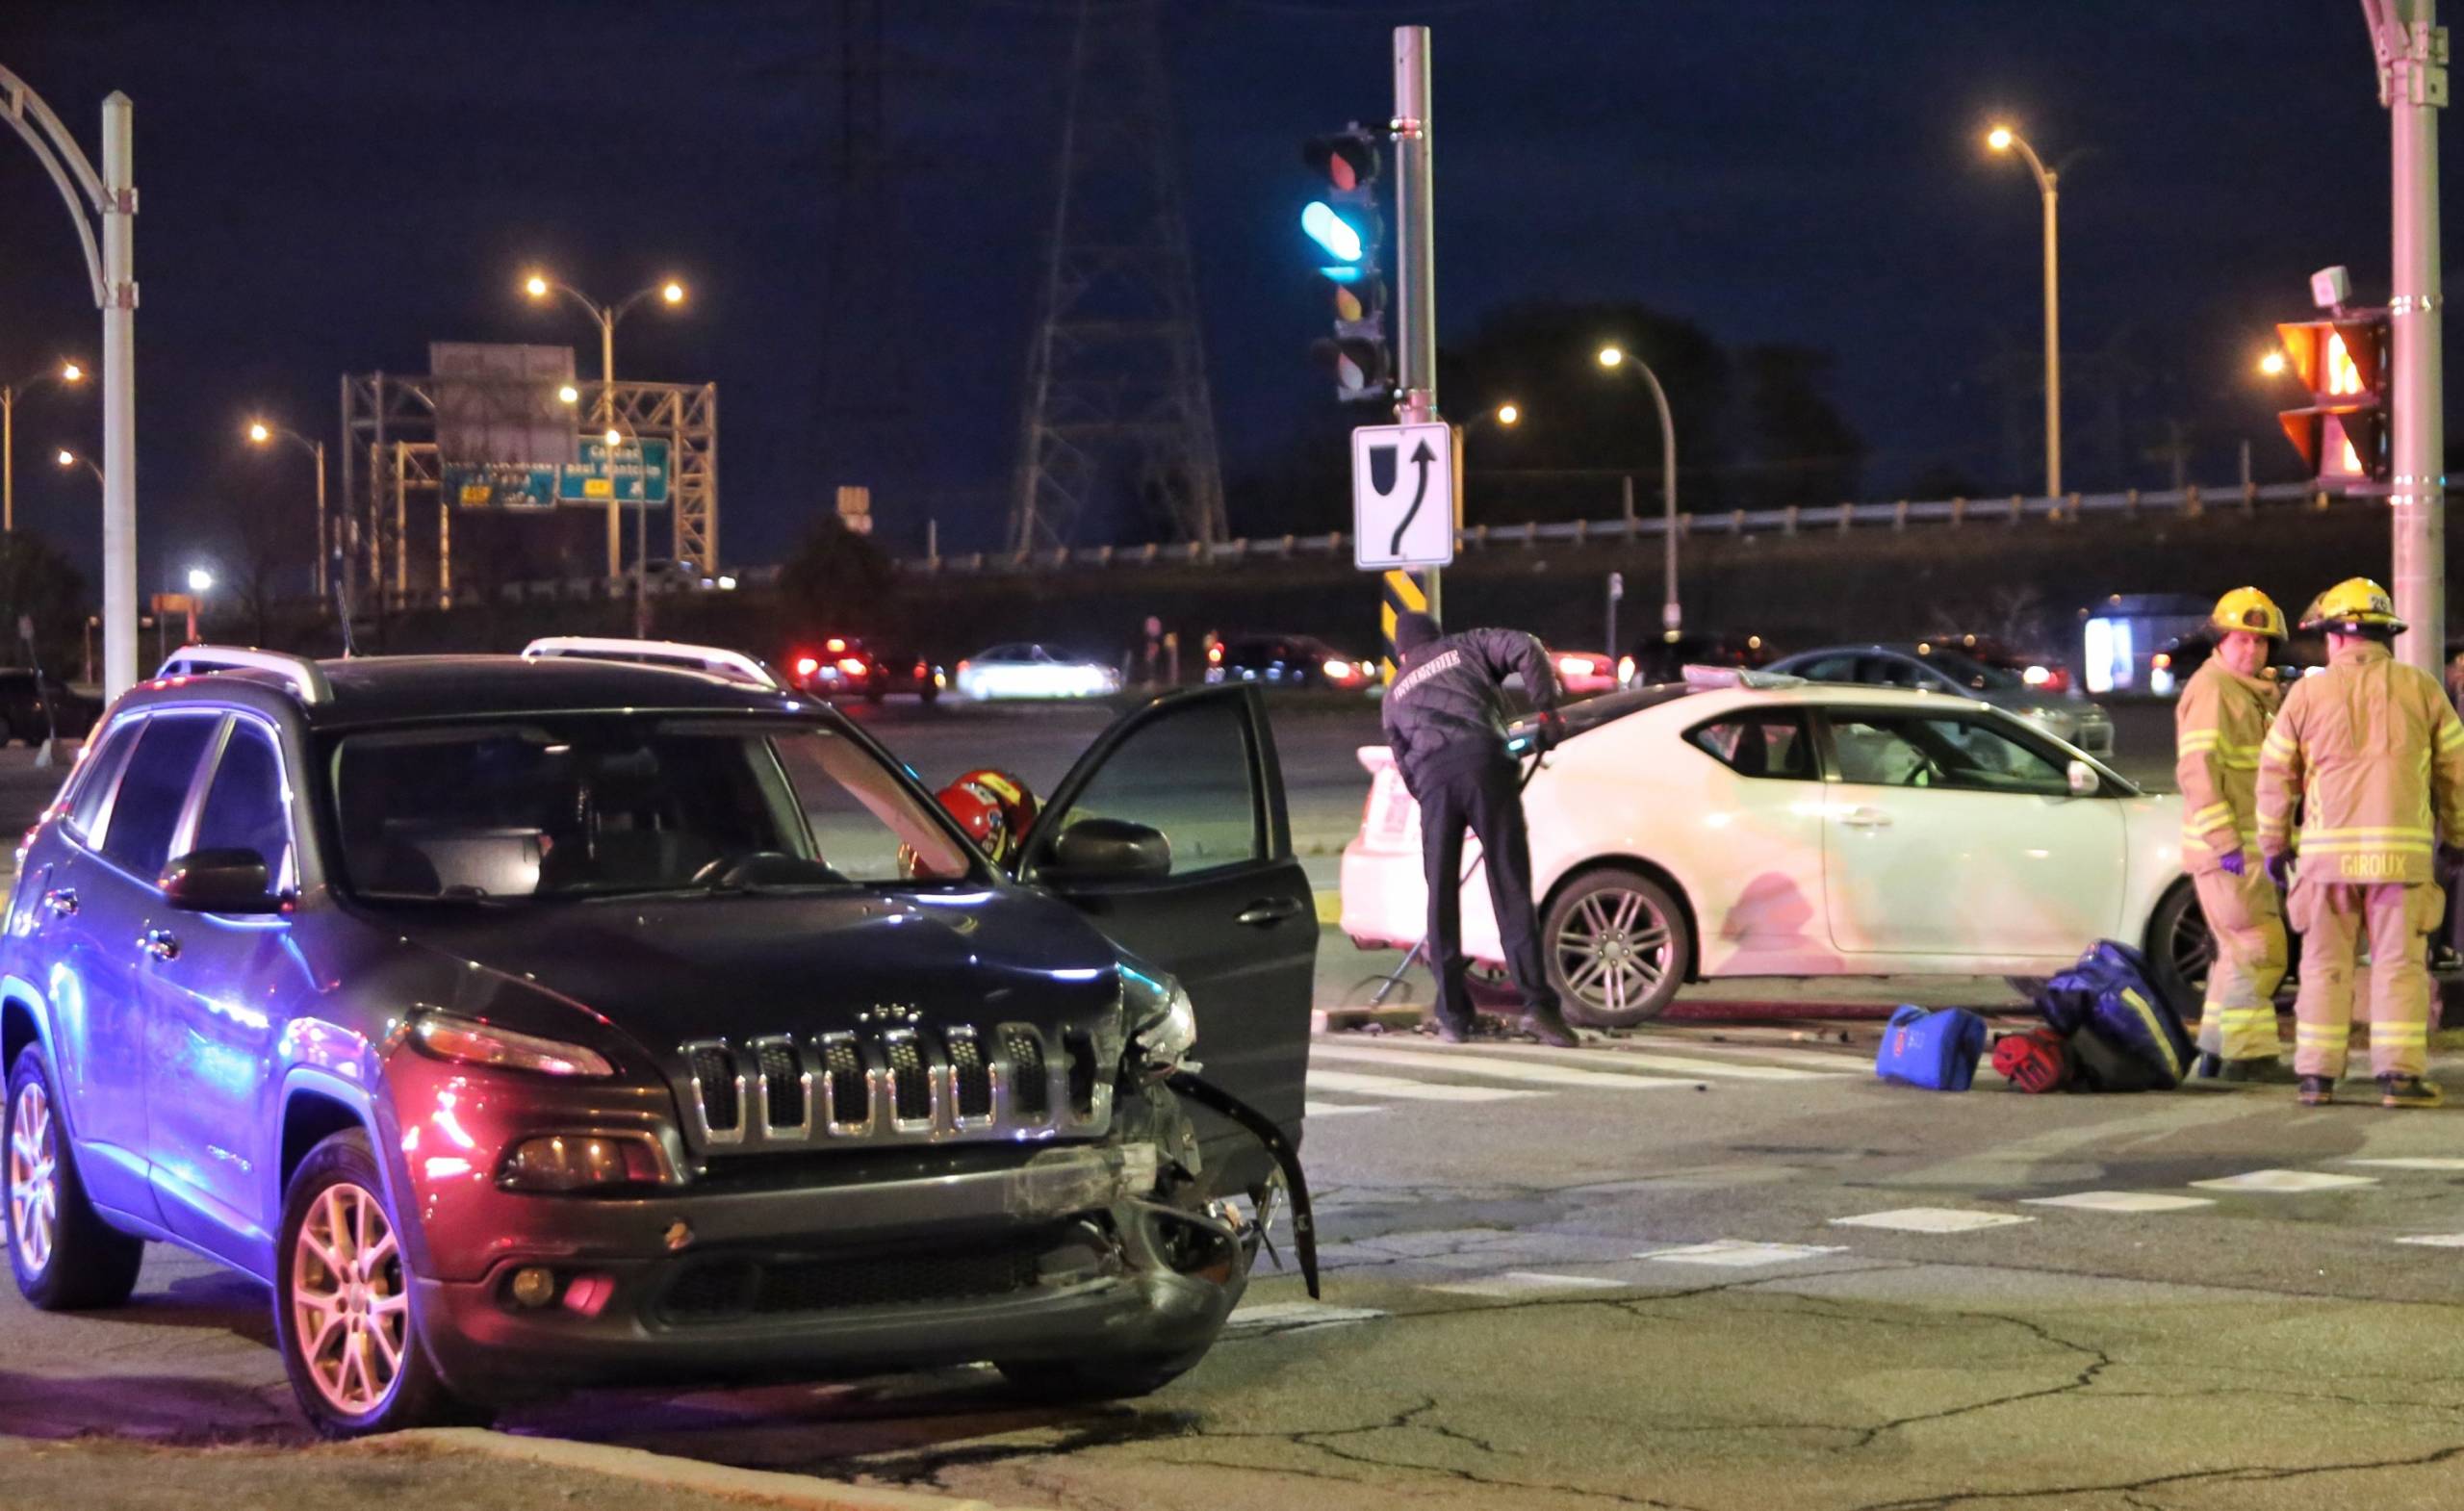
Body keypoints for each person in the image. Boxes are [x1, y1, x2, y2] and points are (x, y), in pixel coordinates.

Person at [2255, 576, 2464, 1109]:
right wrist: (2459, 838)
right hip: (2402, 861)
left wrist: (2274, 843)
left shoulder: (2306, 693)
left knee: (2324, 966)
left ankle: (2317, 1077)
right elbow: (2455, 773)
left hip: (2327, 862)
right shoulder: (2422, 689)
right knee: (2399, 967)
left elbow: (2275, 775)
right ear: (2382, 634)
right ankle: (2398, 1078)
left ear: (2335, 636)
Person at [1381, 609, 1581, 1048]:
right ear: (1437, 635)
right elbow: (1527, 646)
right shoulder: (1466, 646)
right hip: (1485, 764)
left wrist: (1439, 800)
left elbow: (1404, 764)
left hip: (1435, 784)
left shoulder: (1394, 694)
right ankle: (1539, 1009)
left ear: (1400, 653)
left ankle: (1453, 1015)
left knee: (1441, 897)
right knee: (1509, 886)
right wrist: (1547, 713)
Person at [2176, 588, 2294, 1083]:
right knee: (2261, 948)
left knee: (2236, 953)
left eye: (2262, 643)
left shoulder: (2245, 692)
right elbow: (2198, 772)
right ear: (2222, 641)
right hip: (2231, 850)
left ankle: (2216, 1052)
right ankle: (2247, 1056)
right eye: (2244, 641)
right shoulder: (2215, 691)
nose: (2253, 651)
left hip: (2243, 847)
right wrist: (2226, 844)